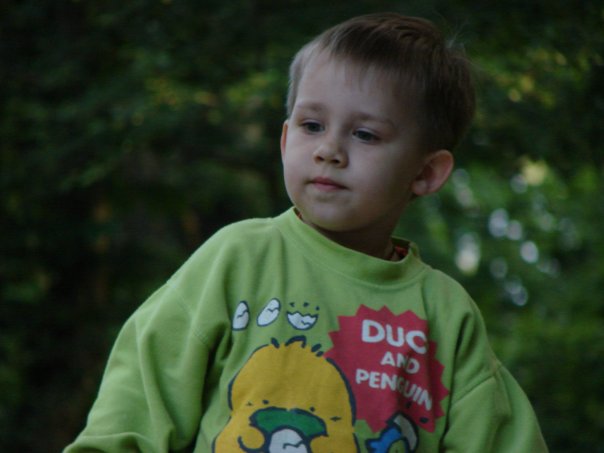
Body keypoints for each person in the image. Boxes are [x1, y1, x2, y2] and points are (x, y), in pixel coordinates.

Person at [65, 12, 548, 452]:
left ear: (425, 173)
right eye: (312, 125)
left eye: (365, 134)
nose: (328, 150)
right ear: (285, 140)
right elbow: (139, 402)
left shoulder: (445, 315)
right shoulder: (237, 258)